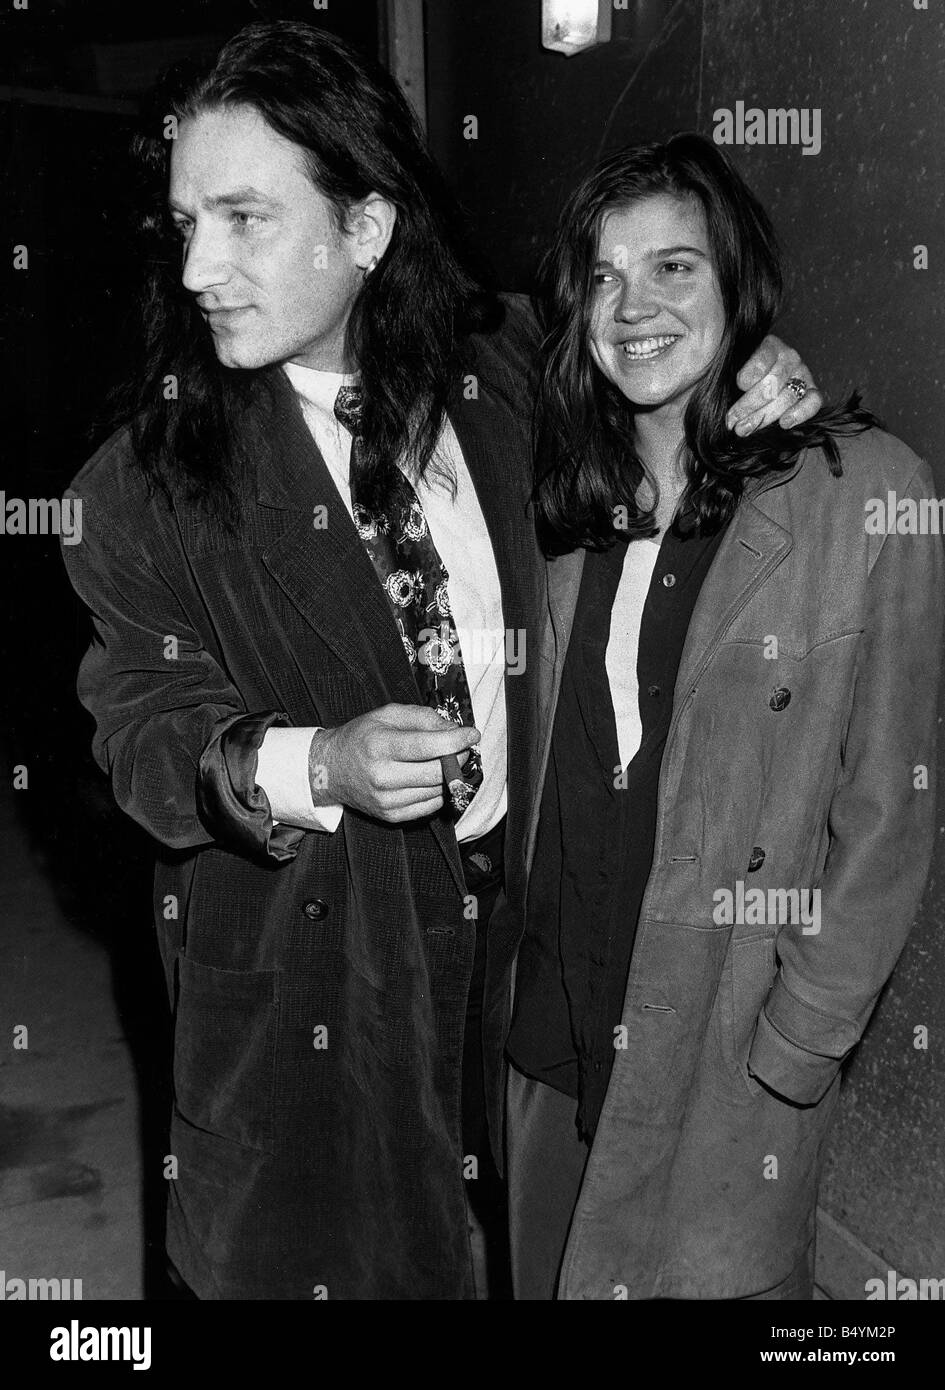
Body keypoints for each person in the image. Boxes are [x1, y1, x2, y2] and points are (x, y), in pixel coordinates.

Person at [60, 24, 820, 1300]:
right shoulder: (141, 486)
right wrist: (319, 762)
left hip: (515, 965)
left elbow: (654, 342)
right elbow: (139, 734)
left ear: (366, 229)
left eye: (245, 218)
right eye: (187, 221)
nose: (198, 266)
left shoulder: (505, 364)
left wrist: (747, 362)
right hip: (315, 990)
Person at [501, 132, 943, 1301]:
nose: (632, 305)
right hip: (545, 1033)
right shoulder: (552, 498)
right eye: (603, 275)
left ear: (739, 282)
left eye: (675, 268)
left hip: (725, 1051)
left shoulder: (868, 495)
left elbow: (889, 811)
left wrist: (803, 1037)